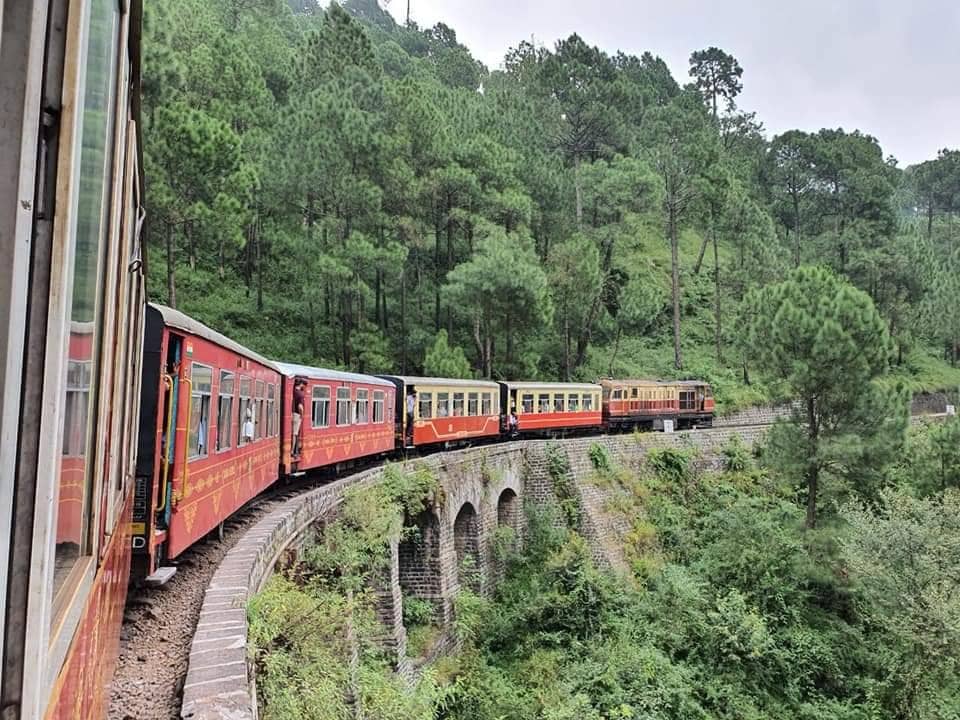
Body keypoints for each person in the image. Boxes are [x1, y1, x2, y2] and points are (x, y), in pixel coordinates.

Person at [292, 379, 305, 457]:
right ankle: (293, 451)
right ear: (300, 384)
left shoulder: (293, 391)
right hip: (297, 414)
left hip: (292, 414)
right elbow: (300, 406)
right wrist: (302, 415)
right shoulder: (300, 394)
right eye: (303, 384)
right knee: (295, 433)